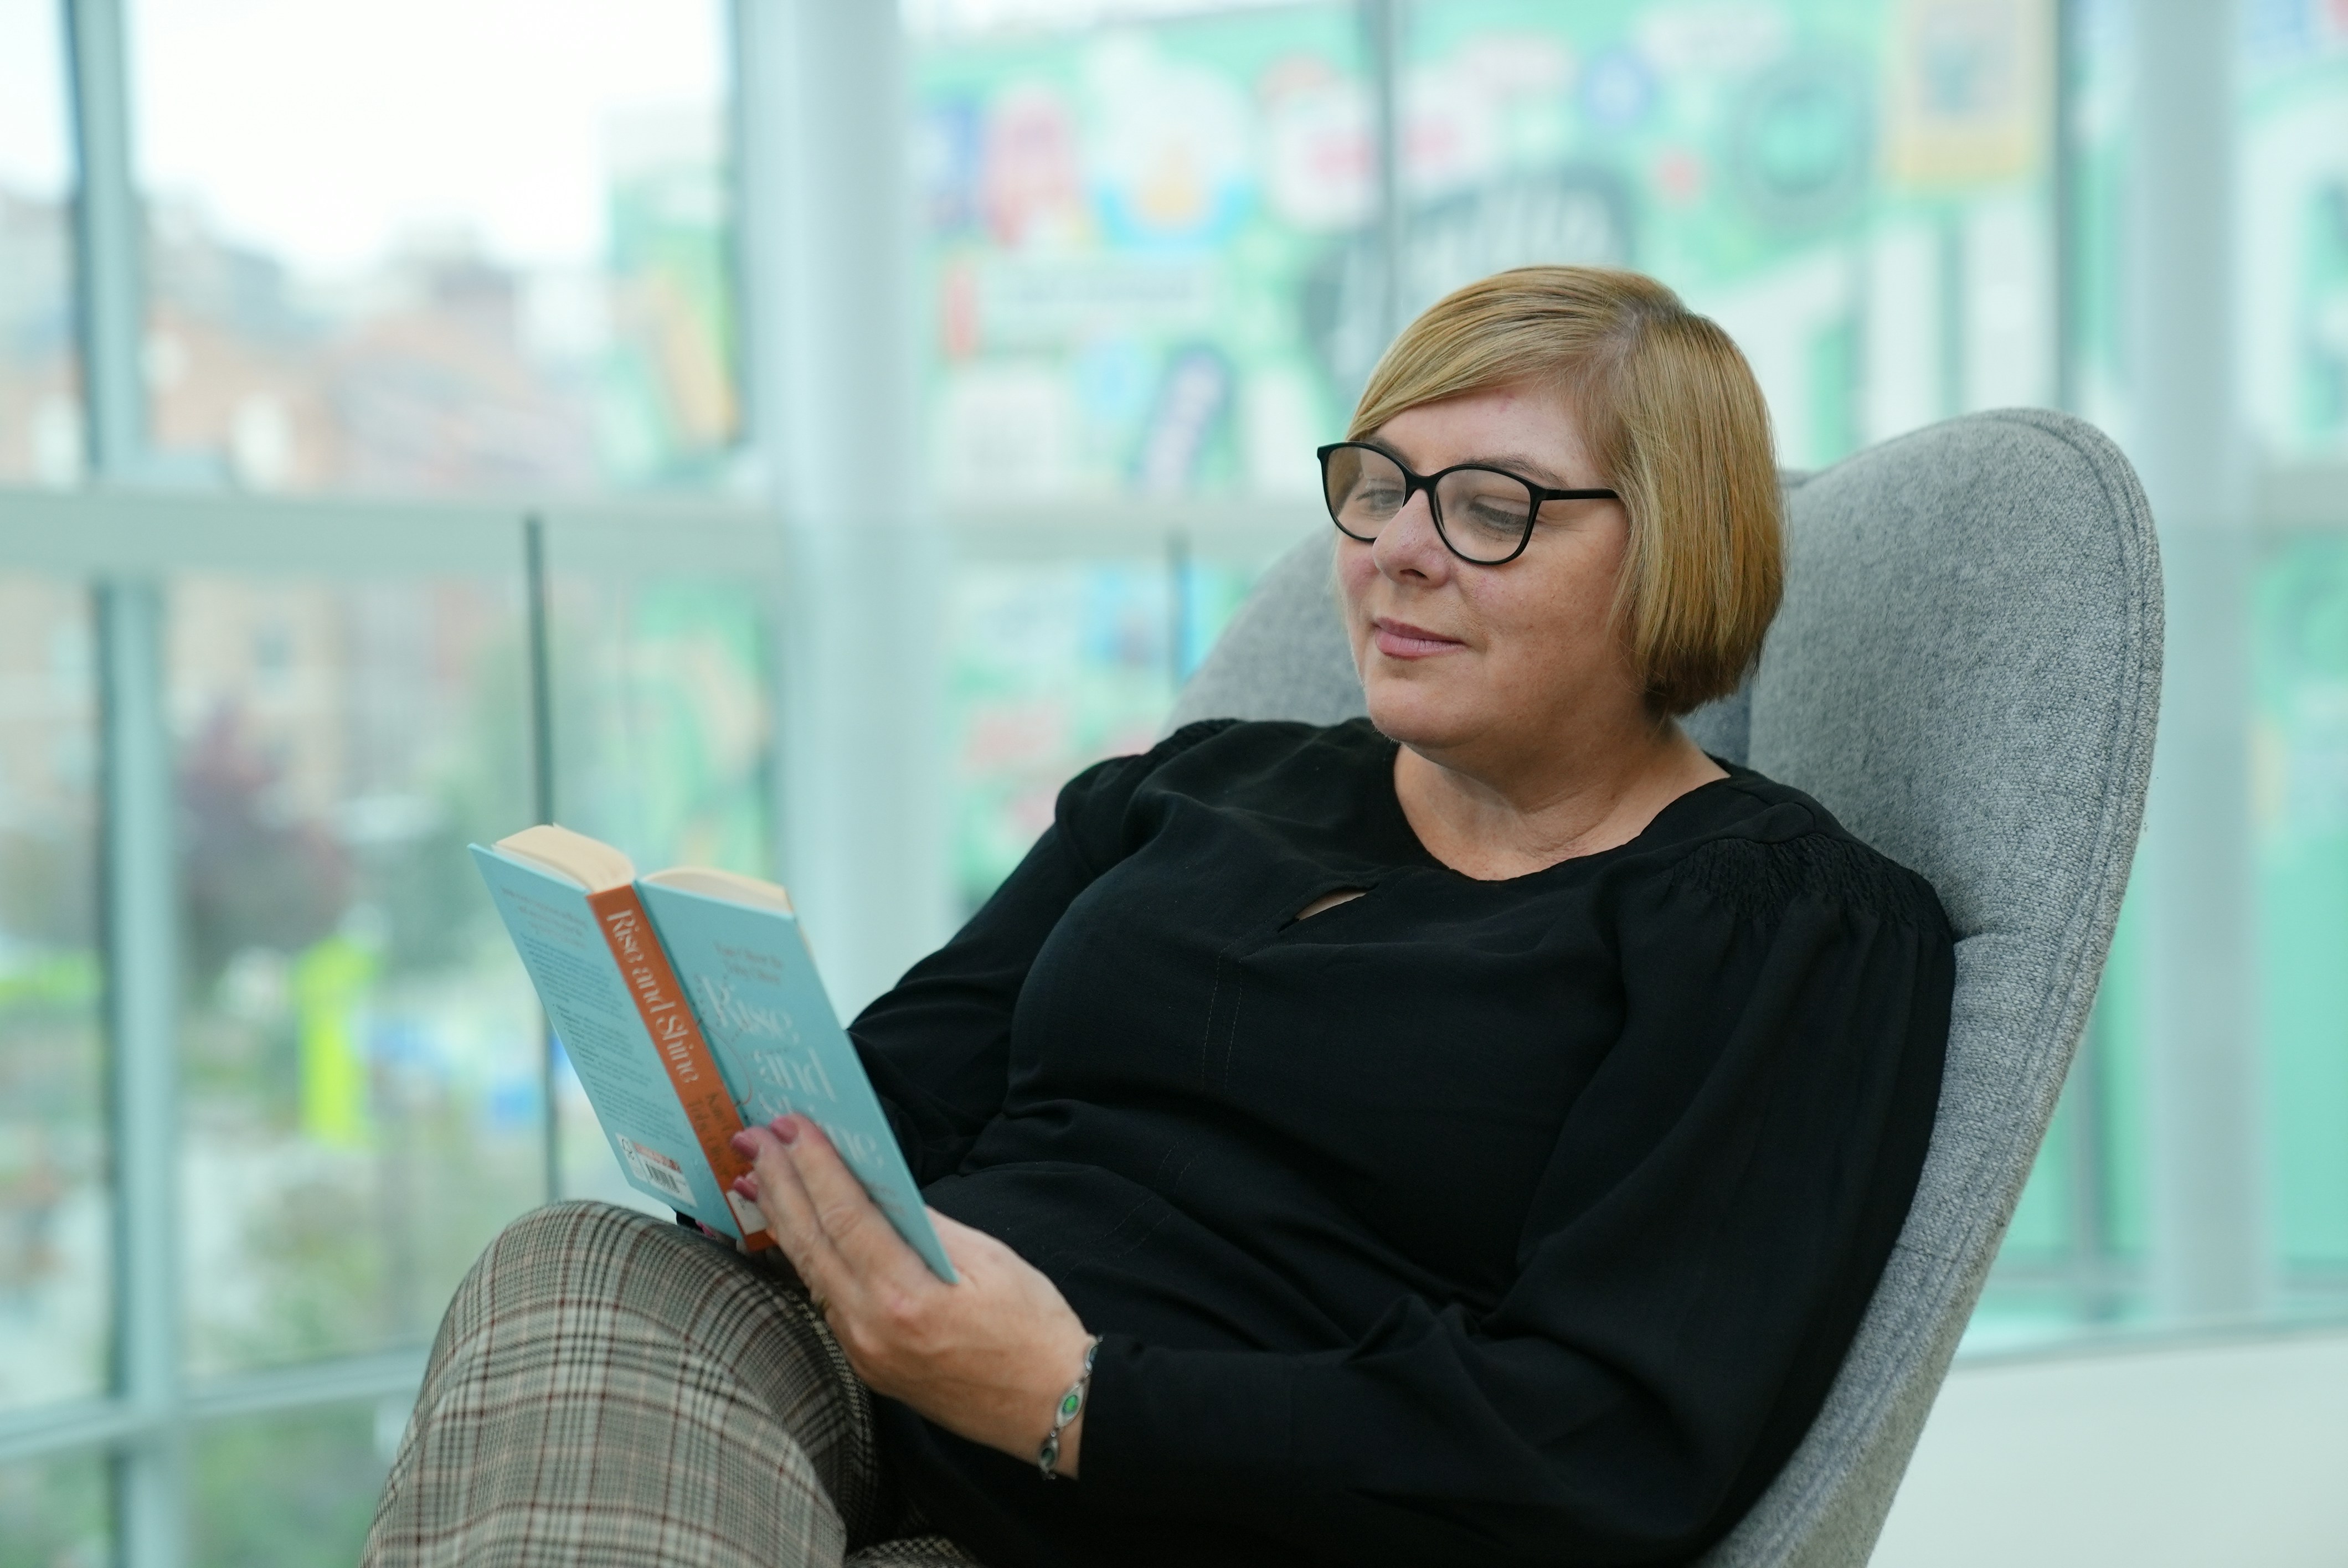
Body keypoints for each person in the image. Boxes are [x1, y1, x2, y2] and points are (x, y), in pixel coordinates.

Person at [364, 266, 1951, 1568]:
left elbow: (1606, 1445)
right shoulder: (1199, 788)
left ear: (1671, 553)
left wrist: (1071, 1400)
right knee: (581, 1263)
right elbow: (897, 1090)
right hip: (880, 1392)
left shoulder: (1777, 923)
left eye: (1490, 506)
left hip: (1216, 1509)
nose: (1397, 546)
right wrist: (738, 1125)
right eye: (1379, 485)